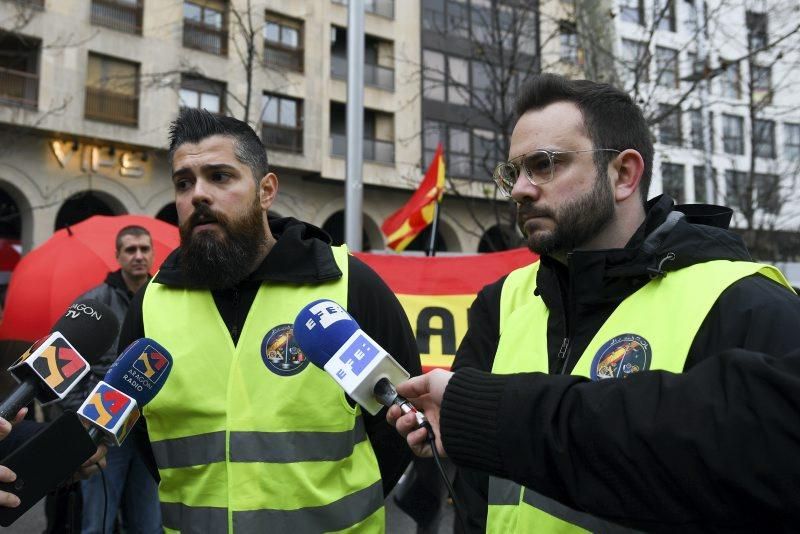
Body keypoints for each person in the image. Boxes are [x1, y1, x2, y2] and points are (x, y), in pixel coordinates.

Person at [390, 73, 800, 532]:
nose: (521, 190)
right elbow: (473, 497)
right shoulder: (500, 302)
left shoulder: (744, 301)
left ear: (624, 174)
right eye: (513, 172)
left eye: (545, 164)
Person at [117, 108, 421, 533]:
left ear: (266, 190)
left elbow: (399, 416)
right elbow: (141, 437)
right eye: (184, 182)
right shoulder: (150, 305)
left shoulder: (348, 285)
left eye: (220, 177)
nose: (198, 195)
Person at [61, 225, 160, 534]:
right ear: (117, 255)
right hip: (103, 428)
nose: (139, 256)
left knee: (148, 524)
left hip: (149, 426)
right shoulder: (94, 304)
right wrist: (83, 417)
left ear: (152, 253)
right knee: (97, 523)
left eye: (144, 249)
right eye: (131, 250)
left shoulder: (164, 302)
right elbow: (67, 366)